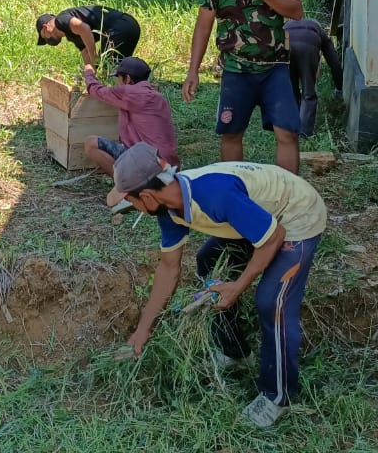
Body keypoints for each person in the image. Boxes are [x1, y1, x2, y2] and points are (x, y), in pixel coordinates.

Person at [109, 143, 326, 428]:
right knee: (208, 261)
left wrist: (238, 286)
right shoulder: (169, 208)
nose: (132, 208)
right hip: (254, 216)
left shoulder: (213, 196)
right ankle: (235, 350)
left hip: (296, 215)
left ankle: (278, 397)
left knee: (272, 302)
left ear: (147, 196)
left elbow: (274, 236)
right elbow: (168, 268)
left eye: (131, 202)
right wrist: (142, 331)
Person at [183, 0, 305, 173]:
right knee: (231, 132)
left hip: (275, 67)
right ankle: (234, 189)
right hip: (236, 70)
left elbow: (297, 12)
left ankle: (291, 193)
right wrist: (192, 71)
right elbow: (203, 27)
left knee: (288, 132)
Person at [81, 56, 180, 177]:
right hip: (169, 165)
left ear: (127, 79)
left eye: (119, 78)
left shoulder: (131, 93)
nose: (118, 82)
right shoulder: (157, 97)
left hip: (150, 163)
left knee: (91, 143)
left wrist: (88, 72)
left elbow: (96, 90)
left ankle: (128, 186)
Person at [284, 18, 344, 139]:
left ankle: (291, 129)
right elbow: (335, 64)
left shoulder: (287, 24)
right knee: (308, 93)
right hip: (308, 46)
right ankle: (304, 134)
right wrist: (339, 89)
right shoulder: (319, 30)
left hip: (285, 44)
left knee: (290, 91)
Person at [35, 5, 141, 68]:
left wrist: (94, 57)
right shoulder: (70, 34)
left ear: (45, 27)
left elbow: (85, 29)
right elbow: (85, 52)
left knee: (110, 72)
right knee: (120, 73)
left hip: (120, 26)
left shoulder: (60, 20)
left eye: (44, 37)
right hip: (128, 26)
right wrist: (90, 74)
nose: (46, 40)